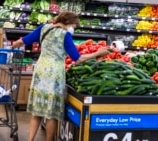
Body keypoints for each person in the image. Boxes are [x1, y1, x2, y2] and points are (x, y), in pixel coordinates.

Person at [11, 11, 110, 141]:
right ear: (68, 23)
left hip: (40, 71)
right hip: (54, 75)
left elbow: (23, 41)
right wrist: (97, 53)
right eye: (74, 26)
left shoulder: (44, 28)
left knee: (37, 112)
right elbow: (78, 58)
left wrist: (13, 46)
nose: (73, 28)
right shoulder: (65, 35)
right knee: (52, 114)